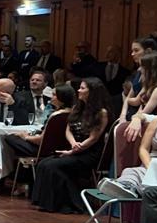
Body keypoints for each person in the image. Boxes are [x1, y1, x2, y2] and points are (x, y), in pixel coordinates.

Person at [30, 77, 109, 213]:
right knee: (43, 163)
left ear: (92, 92)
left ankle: (70, 204)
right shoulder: (77, 107)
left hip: (89, 153)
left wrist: (74, 151)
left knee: (52, 166)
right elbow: (68, 129)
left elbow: (94, 138)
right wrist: (73, 144)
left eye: (82, 88)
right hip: (74, 148)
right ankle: (46, 202)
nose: (78, 90)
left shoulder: (101, 113)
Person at [124, 52, 157, 141]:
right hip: (146, 125)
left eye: (142, 67)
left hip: (156, 130)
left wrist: (127, 100)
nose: (139, 69)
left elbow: (144, 113)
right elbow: (138, 104)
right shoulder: (147, 86)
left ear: (151, 70)